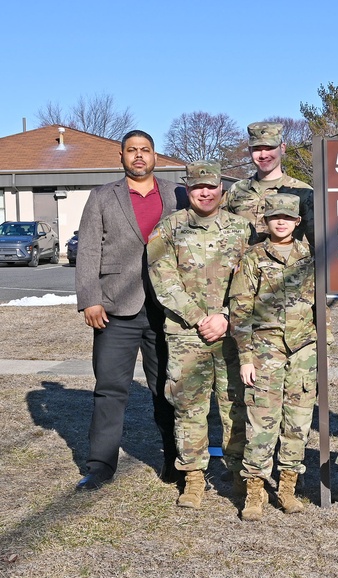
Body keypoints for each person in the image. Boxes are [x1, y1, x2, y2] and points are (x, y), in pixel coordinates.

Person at [74, 130, 186, 491]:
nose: (139, 156)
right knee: (110, 389)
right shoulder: (102, 197)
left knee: (167, 388)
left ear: (155, 156)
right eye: (132, 151)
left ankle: (175, 461)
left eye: (146, 151)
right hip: (114, 308)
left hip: (166, 309)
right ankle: (100, 465)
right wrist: (90, 298)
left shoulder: (177, 194)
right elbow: (89, 250)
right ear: (120, 156)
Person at [147, 161, 254, 509]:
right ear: (188, 190)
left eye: (210, 186)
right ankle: (193, 478)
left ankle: (239, 473)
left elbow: (252, 283)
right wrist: (198, 318)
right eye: (197, 188)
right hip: (185, 335)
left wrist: (224, 317)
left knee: (235, 406)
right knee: (188, 408)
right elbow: (163, 280)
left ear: (221, 188)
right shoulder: (168, 230)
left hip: (232, 335)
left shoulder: (242, 230)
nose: (205, 193)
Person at [229, 193, 317, 520]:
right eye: (274, 217)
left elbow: (320, 305)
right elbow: (239, 309)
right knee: (261, 421)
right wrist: (246, 357)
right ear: (265, 222)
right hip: (265, 349)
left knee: (297, 421)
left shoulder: (311, 256)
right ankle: (255, 489)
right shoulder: (253, 258)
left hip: (304, 349)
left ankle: (288, 487)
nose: (281, 222)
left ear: (297, 222)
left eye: (288, 217)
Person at [222, 121, 314, 245]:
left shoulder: (303, 191)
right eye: (257, 149)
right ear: (250, 150)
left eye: (270, 148)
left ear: (282, 148)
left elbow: (316, 243)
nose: (263, 155)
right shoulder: (236, 191)